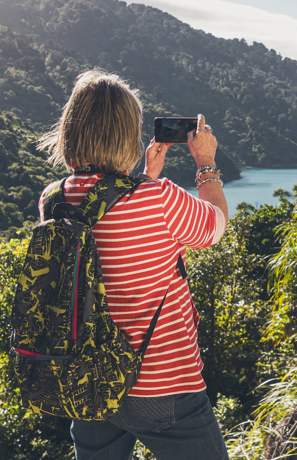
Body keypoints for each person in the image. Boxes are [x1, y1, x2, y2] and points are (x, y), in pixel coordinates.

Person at [37, 70, 230, 460]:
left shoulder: (54, 199)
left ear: (71, 128)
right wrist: (206, 164)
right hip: (161, 384)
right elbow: (215, 226)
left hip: (85, 377)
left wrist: (142, 178)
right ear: (128, 133)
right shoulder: (157, 199)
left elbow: (103, 239)